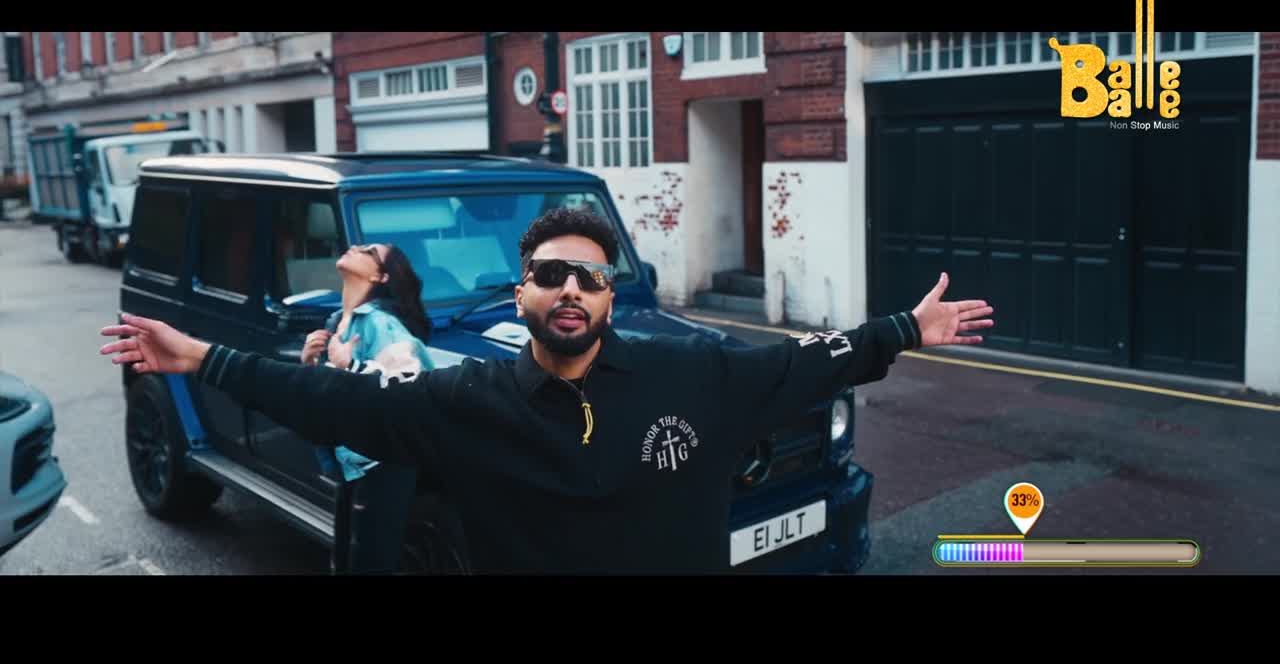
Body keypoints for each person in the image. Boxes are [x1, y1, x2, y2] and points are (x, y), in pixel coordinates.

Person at [101, 207, 995, 574]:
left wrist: (908, 330)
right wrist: (200, 358)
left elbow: (810, 358)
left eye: (591, 278)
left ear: (609, 298)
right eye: (551, 273)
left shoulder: (696, 373)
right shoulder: (468, 400)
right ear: (522, 291)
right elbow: (339, 404)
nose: (571, 288)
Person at [301, 242, 436, 574]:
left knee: (368, 564)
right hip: (355, 460)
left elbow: (409, 383)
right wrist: (308, 363)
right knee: (346, 560)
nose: (354, 246)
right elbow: (328, 394)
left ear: (380, 275)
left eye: (369, 250)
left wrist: (351, 364)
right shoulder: (337, 322)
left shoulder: (381, 324)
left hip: (384, 463)